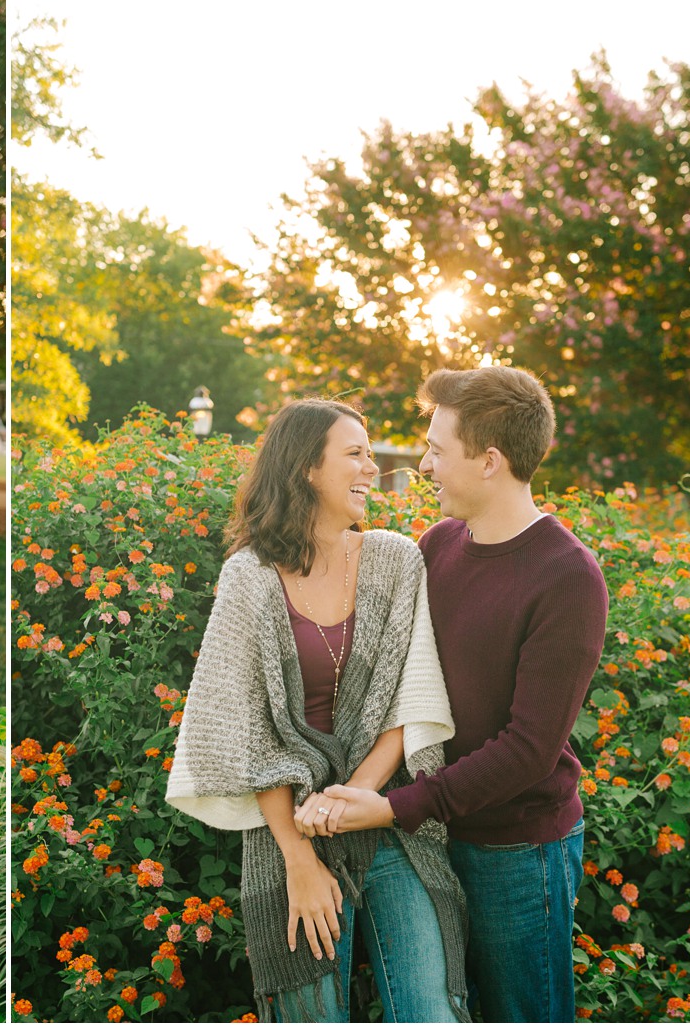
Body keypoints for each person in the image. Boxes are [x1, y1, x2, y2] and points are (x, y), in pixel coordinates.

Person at [309, 366, 609, 1023]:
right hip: (430, 840)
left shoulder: (567, 577)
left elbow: (529, 750)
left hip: (518, 854)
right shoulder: (439, 545)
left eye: (438, 450)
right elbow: (392, 675)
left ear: (490, 461)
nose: (424, 464)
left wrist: (393, 809)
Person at [166, 398, 470, 1022]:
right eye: (355, 454)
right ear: (306, 466)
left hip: (385, 818)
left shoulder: (395, 559)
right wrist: (299, 860)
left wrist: (352, 797)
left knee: (431, 1012)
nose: (372, 468)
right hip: (288, 834)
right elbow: (241, 730)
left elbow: (411, 702)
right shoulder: (249, 576)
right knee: (312, 1013)